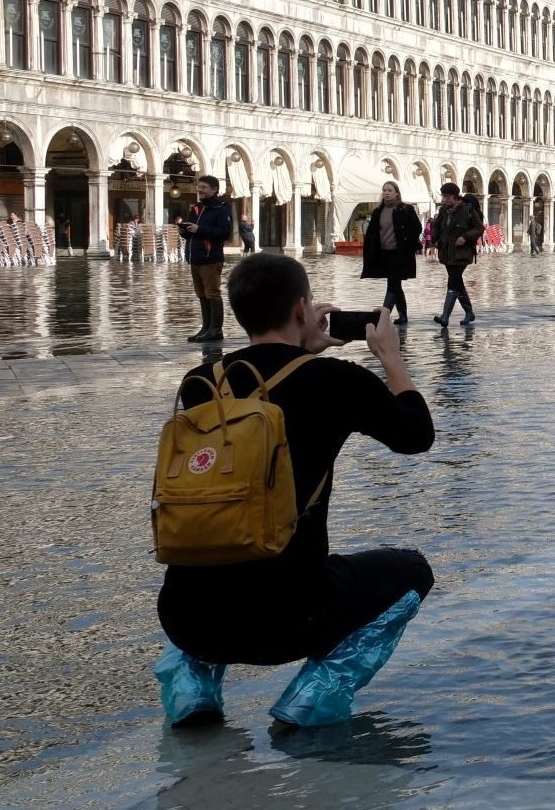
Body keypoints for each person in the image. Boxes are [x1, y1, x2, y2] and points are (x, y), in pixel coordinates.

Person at [154, 252, 435, 728]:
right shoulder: (334, 380)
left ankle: (191, 688)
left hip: (187, 619)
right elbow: (416, 435)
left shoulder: (199, 382)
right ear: (302, 310)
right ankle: (312, 698)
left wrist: (302, 355)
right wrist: (390, 356)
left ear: (239, 312)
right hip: (289, 620)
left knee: (215, 554)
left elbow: (274, 383)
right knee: (412, 572)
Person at [179, 174, 235, 343]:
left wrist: (200, 229)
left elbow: (224, 234)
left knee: (213, 293)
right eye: (199, 187)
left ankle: (216, 330)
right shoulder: (196, 209)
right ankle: (206, 328)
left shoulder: (221, 210)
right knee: (201, 294)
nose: (200, 190)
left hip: (211, 259)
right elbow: (193, 232)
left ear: (214, 189)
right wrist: (185, 231)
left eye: (203, 187)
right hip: (195, 258)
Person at [359, 181, 421, 325]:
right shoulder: (378, 211)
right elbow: (372, 233)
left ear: (396, 193)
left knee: (393, 284)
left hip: (400, 253)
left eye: (389, 190)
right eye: (384, 190)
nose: (386, 192)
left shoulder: (406, 209)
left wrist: (408, 243)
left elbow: (416, 227)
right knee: (395, 284)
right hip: (384, 253)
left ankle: (384, 315)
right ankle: (403, 315)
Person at [430, 183, 482, 326]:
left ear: (454, 196)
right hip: (446, 253)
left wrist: (465, 237)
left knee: (453, 281)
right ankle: (469, 313)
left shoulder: (467, 210)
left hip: (462, 253)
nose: (443, 199)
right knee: (457, 283)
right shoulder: (444, 211)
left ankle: (445, 317)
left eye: (446, 197)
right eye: (443, 196)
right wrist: (434, 238)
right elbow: (438, 227)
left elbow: (479, 228)